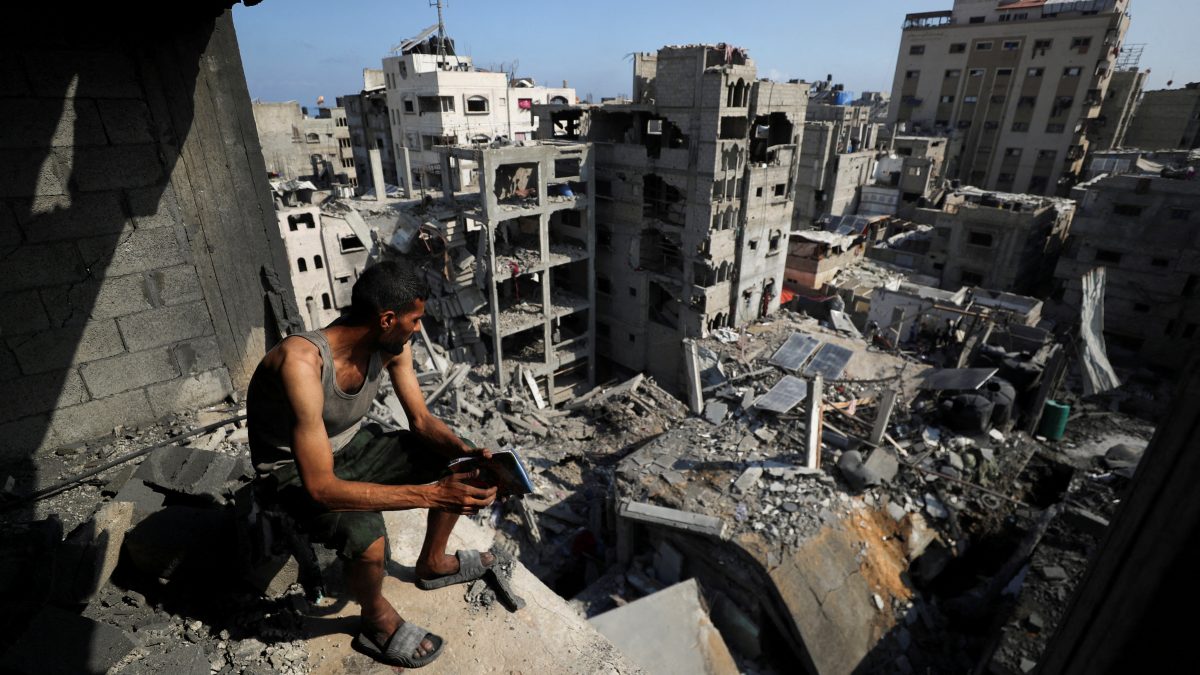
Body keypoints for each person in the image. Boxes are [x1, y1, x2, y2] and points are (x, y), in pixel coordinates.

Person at [247, 259, 497, 669]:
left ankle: (432, 564)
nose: (418, 329)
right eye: (414, 321)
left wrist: (466, 453)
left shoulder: (391, 344)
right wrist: (430, 494)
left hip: (353, 448)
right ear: (386, 318)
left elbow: (420, 420)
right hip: (292, 474)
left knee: (459, 458)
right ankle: (375, 618)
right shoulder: (301, 364)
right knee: (369, 540)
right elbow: (320, 488)